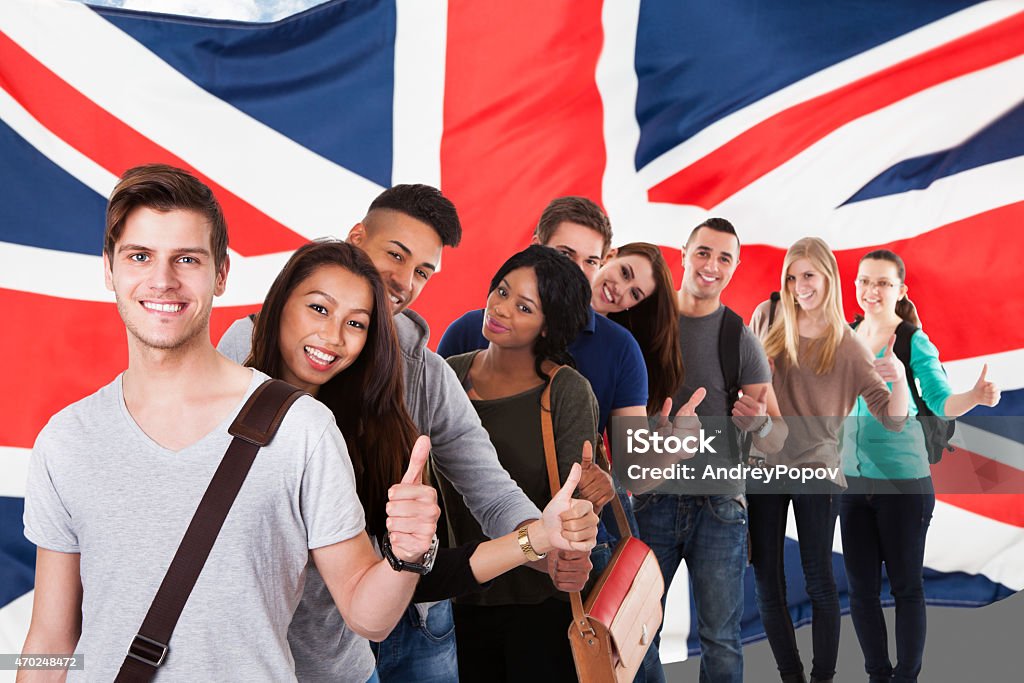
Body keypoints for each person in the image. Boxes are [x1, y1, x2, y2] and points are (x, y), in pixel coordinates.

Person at [19, 164, 440, 683]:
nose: (162, 280)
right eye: (140, 256)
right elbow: (49, 641)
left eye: (187, 259)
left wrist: (407, 556)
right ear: (110, 269)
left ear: (221, 274)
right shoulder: (66, 441)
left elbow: (365, 616)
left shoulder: (302, 430)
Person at [217, 185, 546, 682]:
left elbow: (489, 486)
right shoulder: (252, 346)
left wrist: (544, 542)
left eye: (422, 271)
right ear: (358, 238)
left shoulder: (427, 377)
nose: (404, 280)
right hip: (294, 634)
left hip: (415, 616)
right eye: (396, 254)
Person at [437, 197, 664, 680]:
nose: (579, 273)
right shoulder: (453, 358)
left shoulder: (597, 364)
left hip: (551, 582)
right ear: (536, 247)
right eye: (565, 255)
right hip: (461, 586)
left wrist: (631, 468)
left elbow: (616, 476)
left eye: (591, 261)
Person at [631, 218, 787, 683]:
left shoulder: (740, 338)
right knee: (638, 631)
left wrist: (758, 423)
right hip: (650, 499)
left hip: (720, 508)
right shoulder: (644, 326)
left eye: (724, 258)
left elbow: (778, 437)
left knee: (721, 640)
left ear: (735, 267)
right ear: (683, 254)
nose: (711, 265)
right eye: (703, 253)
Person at [749, 236, 909, 683]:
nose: (800, 285)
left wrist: (896, 378)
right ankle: (791, 677)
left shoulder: (849, 345)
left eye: (809, 276)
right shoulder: (767, 318)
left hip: (816, 469)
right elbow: (742, 381)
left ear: (829, 278)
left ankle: (822, 678)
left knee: (818, 577)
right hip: (762, 464)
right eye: (792, 276)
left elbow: (893, 420)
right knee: (767, 580)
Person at [441, 245, 601, 681]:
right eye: (501, 290)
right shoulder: (446, 377)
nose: (500, 308)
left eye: (523, 306)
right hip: (454, 599)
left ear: (548, 326)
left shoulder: (566, 391)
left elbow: (577, 504)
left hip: (539, 602)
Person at [840, 249, 1000, 683]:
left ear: (900, 291)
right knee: (860, 592)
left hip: (902, 484)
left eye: (883, 283)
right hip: (852, 482)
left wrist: (975, 397)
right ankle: (878, 676)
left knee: (906, 588)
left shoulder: (912, 341)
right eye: (865, 281)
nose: (872, 291)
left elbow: (939, 398)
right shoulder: (847, 334)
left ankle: (906, 678)